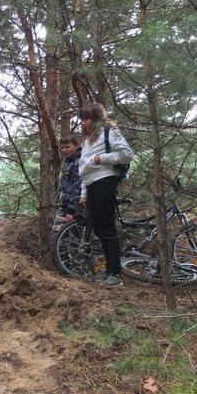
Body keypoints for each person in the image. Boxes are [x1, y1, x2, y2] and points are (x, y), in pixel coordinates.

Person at [78, 103, 133, 286]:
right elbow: (85, 170)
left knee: (108, 227)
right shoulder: (88, 140)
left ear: (95, 118)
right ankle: (109, 270)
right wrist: (84, 193)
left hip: (105, 182)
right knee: (99, 228)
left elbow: (127, 154)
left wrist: (102, 159)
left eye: (85, 118)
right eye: (82, 119)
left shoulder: (109, 131)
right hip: (92, 184)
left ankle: (115, 274)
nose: (82, 122)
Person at [53, 135, 82, 231]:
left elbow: (78, 187)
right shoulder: (68, 161)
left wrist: (72, 209)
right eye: (62, 148)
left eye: (67, 147)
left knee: (69, 237)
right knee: (60, 234)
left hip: (75, 208)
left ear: (77, 145)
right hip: (66, 204)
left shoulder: (78, 162)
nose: (64, 150)